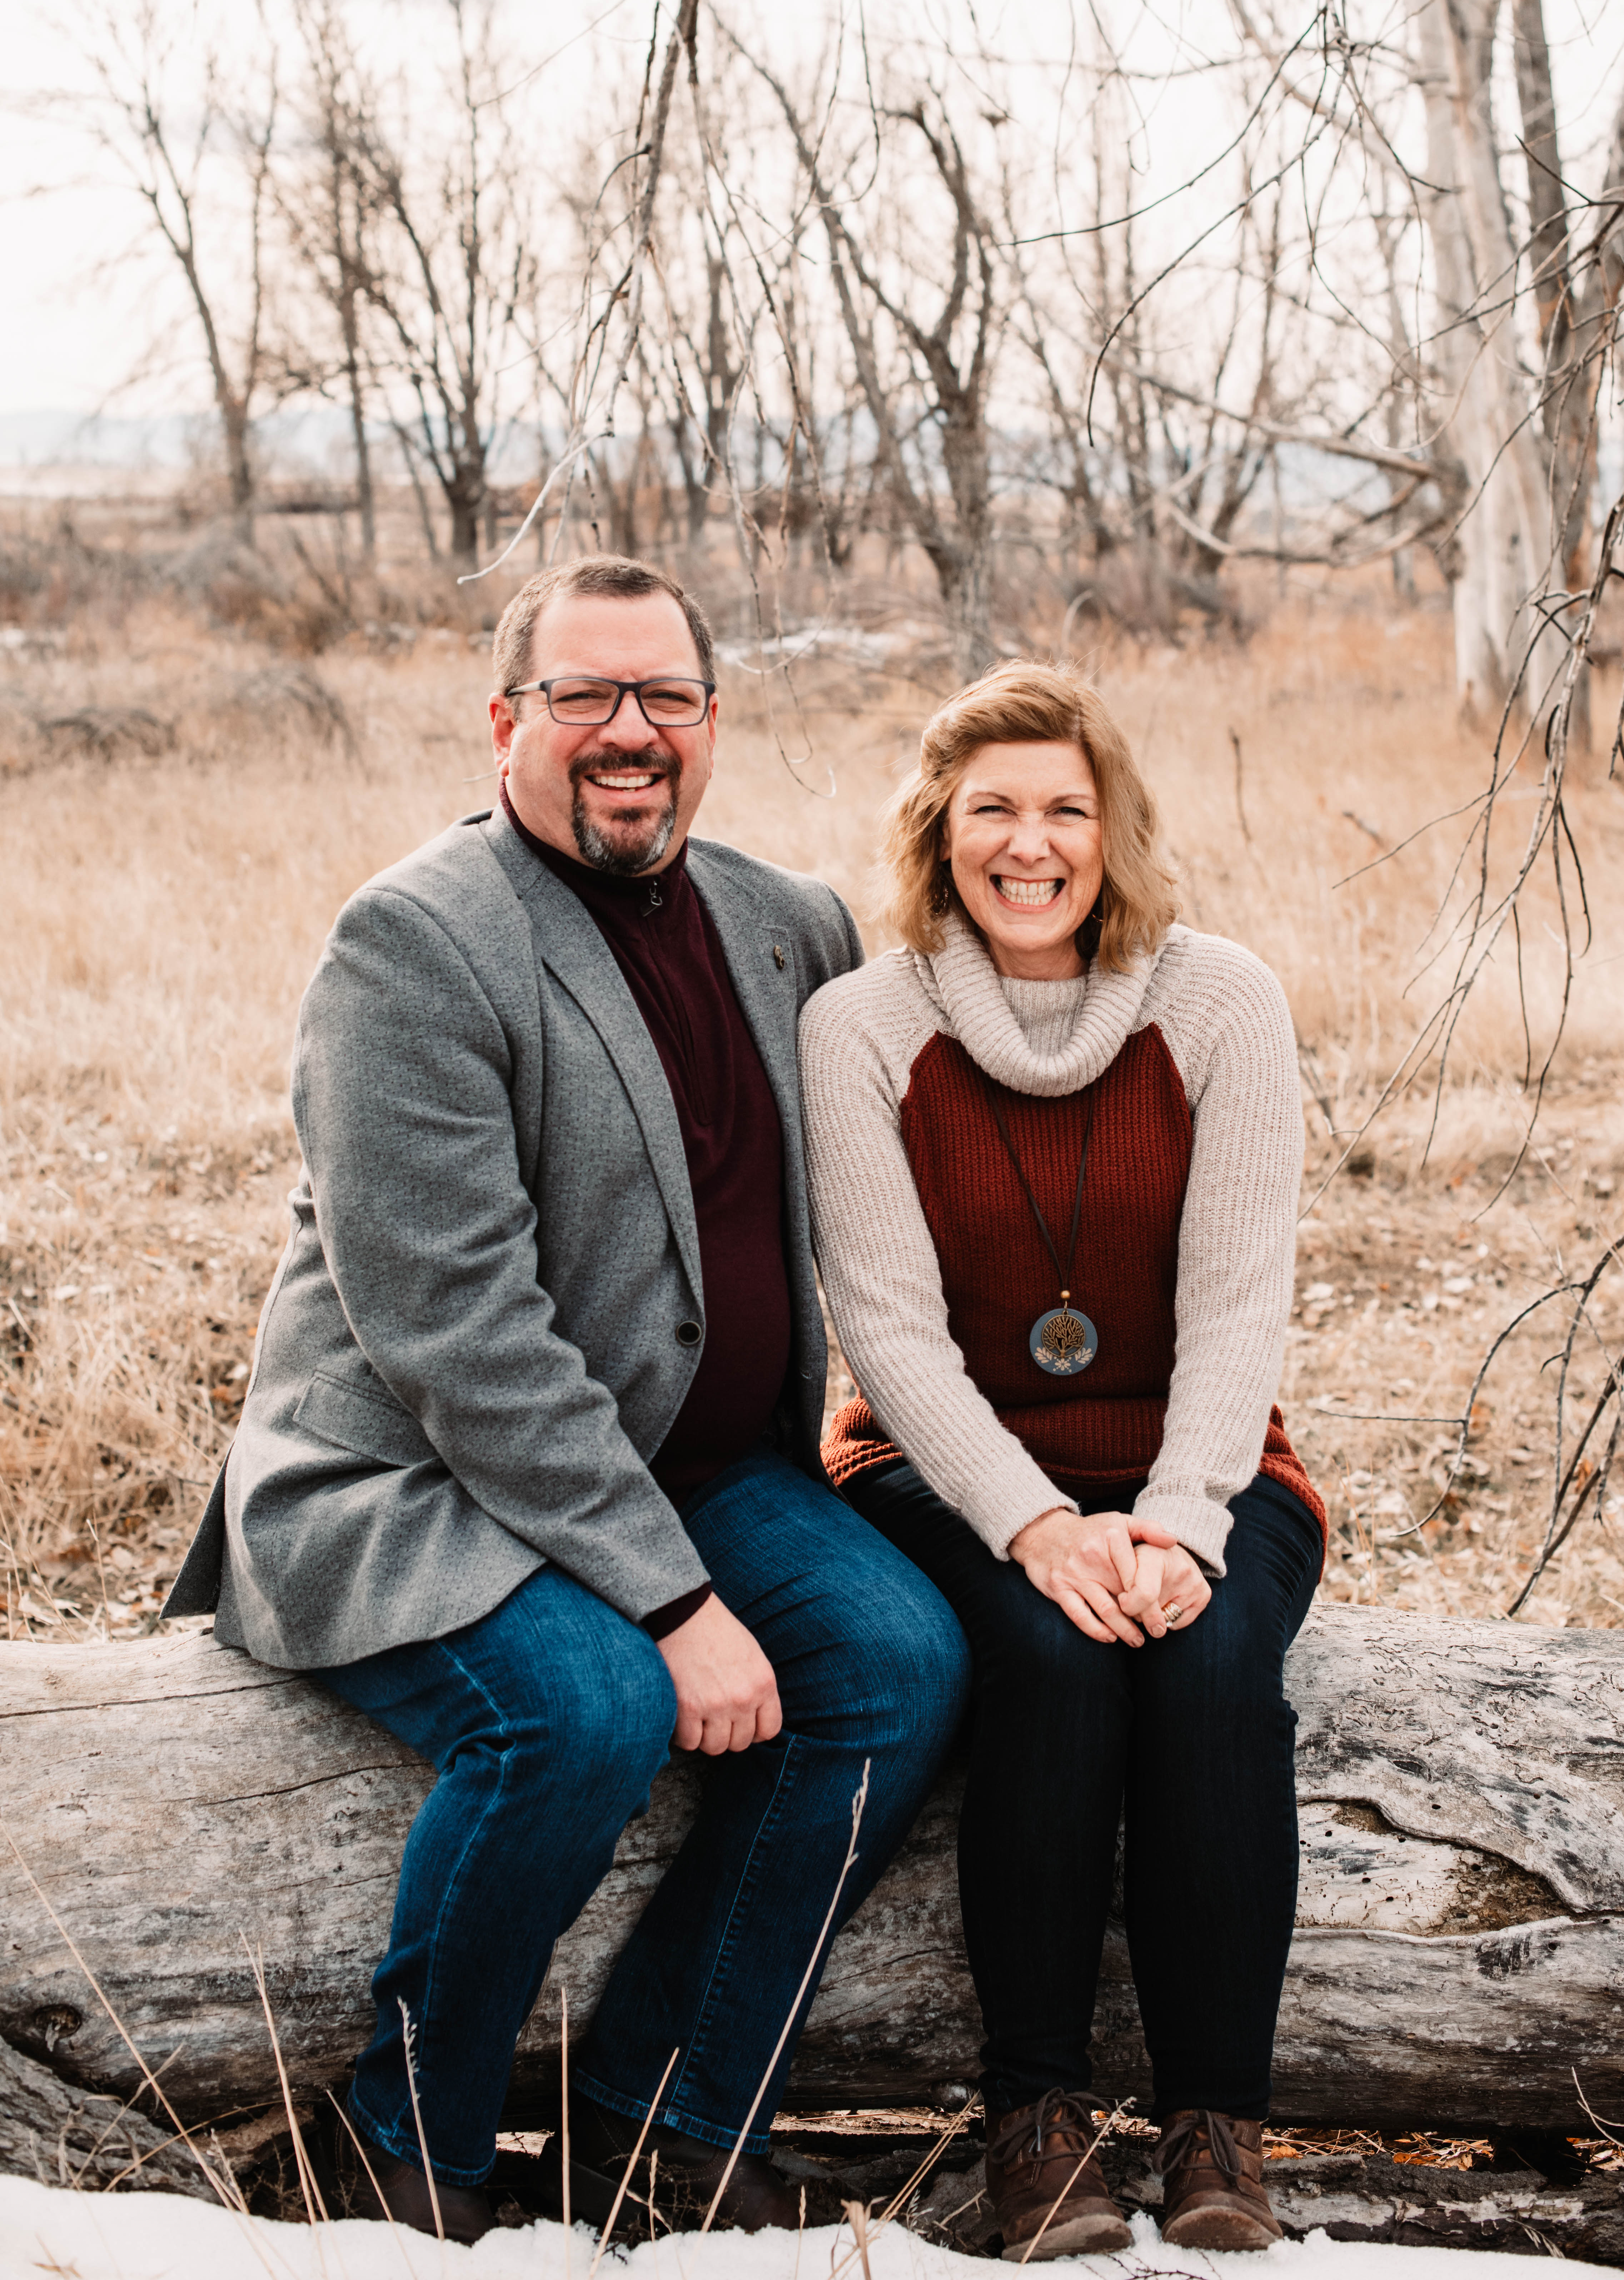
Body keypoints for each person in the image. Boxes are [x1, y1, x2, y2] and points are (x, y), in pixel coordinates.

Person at [163, 553, 970, 2244]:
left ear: (712, 719)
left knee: (898, 1660)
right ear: (506, 719)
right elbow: (457, 1335)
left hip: (692, 1463)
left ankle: (660, 2128)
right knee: (589, 1707)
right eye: (583, 693)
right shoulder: (413, 944)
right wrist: (675, 1605)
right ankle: (404, 2149)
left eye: (665, 695)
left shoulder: (792, 925)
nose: (629, 731)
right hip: (406, 1479)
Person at [799, 657, 1327, 2261]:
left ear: (1115, 831)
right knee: (1050, 1653)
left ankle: (1217, 2126)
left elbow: (1239, 1301)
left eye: (1065, 811)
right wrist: (1035, 1527)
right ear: (937, 831)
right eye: (992, 811)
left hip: (1201, 1460)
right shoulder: (860, 1026)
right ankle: (1036, 2120)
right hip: (938, 1462)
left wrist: (1177, 1524)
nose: (1029, 846)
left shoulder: (1218, 1000)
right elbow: (887, 1329)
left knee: (1208, 1662)